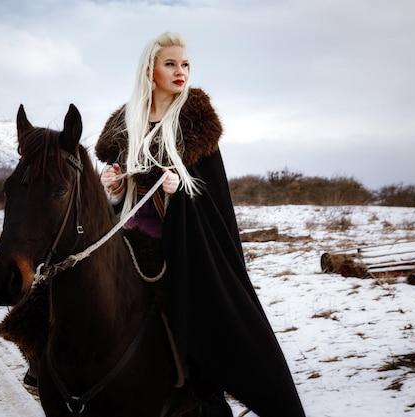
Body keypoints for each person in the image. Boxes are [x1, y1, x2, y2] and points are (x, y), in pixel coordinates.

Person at [95, 32, 306, 417]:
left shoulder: (195, 124)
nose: (181, 72)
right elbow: (122, 189)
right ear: (150, 70)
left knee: (195, 309)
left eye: (186, 64)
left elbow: (212, 199)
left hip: (180, 243)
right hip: (125, 234)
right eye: (171, 64)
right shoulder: (127, 124)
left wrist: (179, 194)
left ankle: (203, 392)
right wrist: (113, 185)